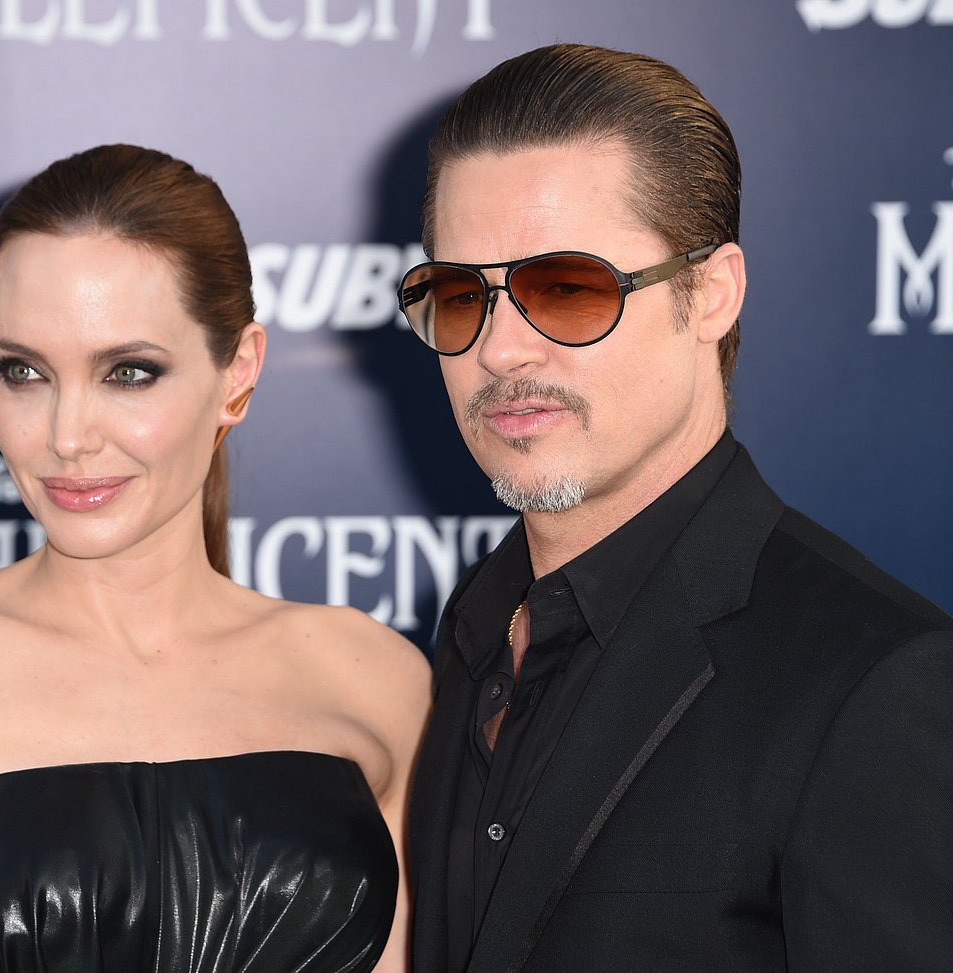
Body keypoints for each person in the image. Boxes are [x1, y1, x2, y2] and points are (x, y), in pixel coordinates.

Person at [0, 144, 429, 973]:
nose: (66, 435)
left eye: (128, 372)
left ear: (238, 372)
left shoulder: (376, 678)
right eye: (23, 371)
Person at [398, 44, 953, 972]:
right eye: (462, 296)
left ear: (712, 294)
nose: (500, 350)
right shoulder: (474, 631)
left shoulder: (877, 686)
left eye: (566, 290)